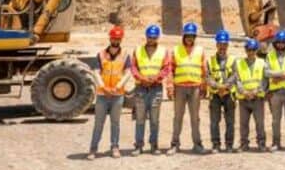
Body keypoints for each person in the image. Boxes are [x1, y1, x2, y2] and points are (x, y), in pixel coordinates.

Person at [87, 25, 130, 160]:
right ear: (110, 38)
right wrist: (103, 87)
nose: (116, 40)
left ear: (121, 39)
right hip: (102, 95)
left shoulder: (125, 55)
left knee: (115, 123)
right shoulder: (101, 54)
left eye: (118, 38)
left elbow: (128, 73)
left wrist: (118, 87)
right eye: (114, 38)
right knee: (98, 123)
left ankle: (115, 147)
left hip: (117, 95)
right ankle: (93, 149)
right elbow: (95, 72)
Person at [130, 24, 170, 155]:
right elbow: (133, 67)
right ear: (146, 37)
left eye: (154, 37)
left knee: (154, 119)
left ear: (157, 37)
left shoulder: (163, 51)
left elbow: (166, 68)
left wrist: (155, 79)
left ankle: (154, 145)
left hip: (156, 88)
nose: (151, 39)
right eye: (149, 37)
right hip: (141, 88)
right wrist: (142, 78)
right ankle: (139, 145)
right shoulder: (138, 50)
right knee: (140, 119)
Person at [167, 22, 206, 155]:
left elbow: (203, 70)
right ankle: (174, 144)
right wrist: (170, 86)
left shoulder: (200, 50)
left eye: (192, 36)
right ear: (184, 36)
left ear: (195, 37)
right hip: (180, 88)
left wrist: (204, 86)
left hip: (195, 88)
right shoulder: (176, 50)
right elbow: (170, 70)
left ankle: (197, 144)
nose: (189, 38)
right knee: (178, 117)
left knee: (195, 118)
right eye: (187, 36)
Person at [234, 38, 268, 152]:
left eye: (253, 50)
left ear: (256, 50)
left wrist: (255, 91)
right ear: (245, 50)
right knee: (243, 123)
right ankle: (244, 144)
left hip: (257, 98)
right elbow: (237, 79)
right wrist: (244, 92)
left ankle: (261, 144)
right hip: (244, 98)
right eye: (249, 50)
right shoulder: (239, 63)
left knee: (259, 123)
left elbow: (265, 81)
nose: (251, 52)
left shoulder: (262, 63)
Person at [206, 29, 237, 153]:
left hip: (229, 95)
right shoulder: (210, 60)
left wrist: (225, 87)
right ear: (217, 45)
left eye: (224, 44)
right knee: (214, 121)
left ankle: (229, 144)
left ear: (227, 45)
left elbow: (235, 76)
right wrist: (218, 87)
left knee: (230, 121)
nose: (222, 47)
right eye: (220, 44)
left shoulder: (233, 60)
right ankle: (216, 144)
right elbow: (207, 77)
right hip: (215, 95)